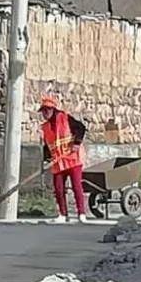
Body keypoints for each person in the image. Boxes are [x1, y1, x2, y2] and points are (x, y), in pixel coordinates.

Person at [39, 95, 88, 224]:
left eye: (47, 110)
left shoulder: (65, 118)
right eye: (43, 111)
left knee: (77, 187)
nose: (45, 113)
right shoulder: (45, 127)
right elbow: (48, 145)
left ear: (53, 110)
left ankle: (81, 213)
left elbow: (81, 128)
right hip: (58, 162)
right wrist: (46, 159)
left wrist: (77, 143)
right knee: (59, 189)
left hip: (72, 159)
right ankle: (62, 214)